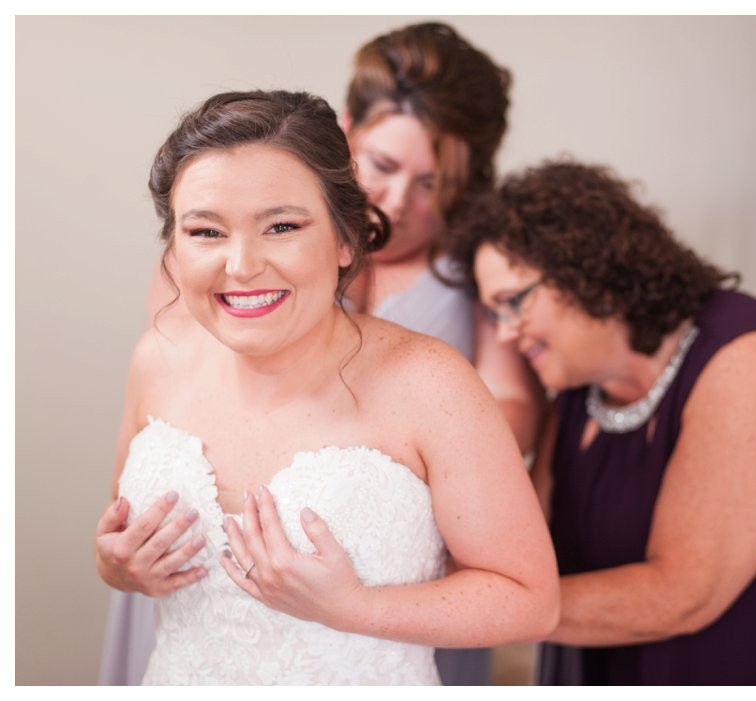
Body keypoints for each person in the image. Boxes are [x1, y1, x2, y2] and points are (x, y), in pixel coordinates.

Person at [102, 22, 544, 686]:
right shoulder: (159, 353)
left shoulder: (433, 380)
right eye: (204, 230)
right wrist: (116, 562)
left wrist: (356, 602)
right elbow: (113, 544)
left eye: (282, 226)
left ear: (346, 238)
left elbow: (527, 597)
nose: (242, 263)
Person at [445, 160, 756, 684]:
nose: (505, 333)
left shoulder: (753, 360)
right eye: (493, 314)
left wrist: (478, 609)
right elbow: (530, 545)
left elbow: (682, 594)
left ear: (583, 268)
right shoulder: (580, 392)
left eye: (513, 303)